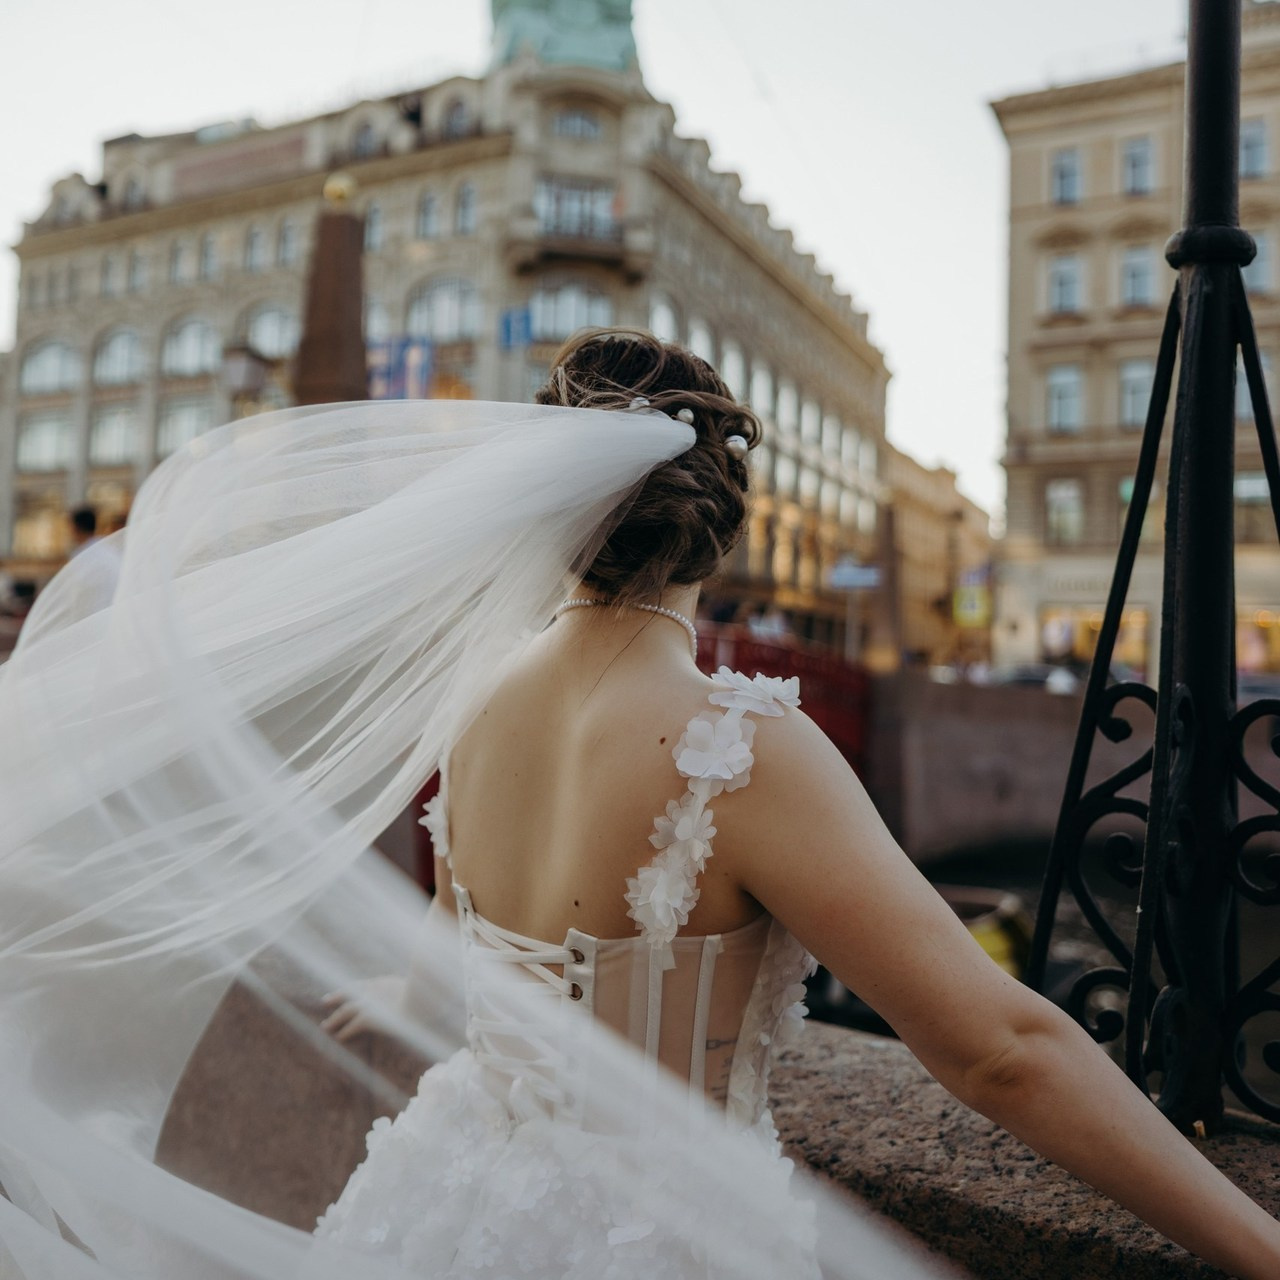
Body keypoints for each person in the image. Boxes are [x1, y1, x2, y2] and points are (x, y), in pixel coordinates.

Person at [0, 331, 1277, 1280]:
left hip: (439, 1197)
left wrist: (397, 989)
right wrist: (1254, 1242)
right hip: (651, 1235)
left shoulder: (478, 697)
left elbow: (463, 932)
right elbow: (998, 1045)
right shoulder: (737, 746)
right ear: (720, 527)